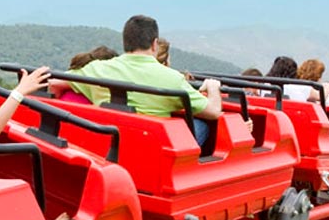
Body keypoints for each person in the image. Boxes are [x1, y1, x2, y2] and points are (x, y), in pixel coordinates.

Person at [53, 15, 221, 146]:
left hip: (110, 145)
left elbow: (55, 84)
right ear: (154, 44)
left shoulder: (95, 69)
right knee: (201, 126)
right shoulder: (171, 79)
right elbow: (213, 112)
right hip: (153, 151)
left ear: (125, 42)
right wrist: (213, 87)